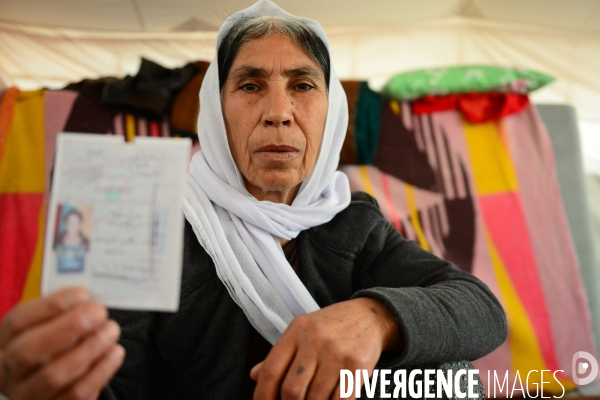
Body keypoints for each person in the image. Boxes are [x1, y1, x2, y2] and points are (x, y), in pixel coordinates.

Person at [0, 1, 507, 399]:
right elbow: (117, 380)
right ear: (215, 113)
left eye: (303, 85)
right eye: (249, 85)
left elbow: (482, 310)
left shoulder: (352, 221)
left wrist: (376, 318)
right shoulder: (156, 220)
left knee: (451, 376)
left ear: (331, 114)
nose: (279, 113)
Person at [54, 209, 90, 273]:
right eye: (70, 223)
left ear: (80, 224)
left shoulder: (87, 242)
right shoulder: (57, 240)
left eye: (75, 223)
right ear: (66, 224)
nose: (72, 226)